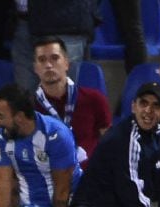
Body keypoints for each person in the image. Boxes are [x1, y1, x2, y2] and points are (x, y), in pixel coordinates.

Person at [69, 82, 160, 207]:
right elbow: (131, 194)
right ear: (133, 106)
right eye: (144, 103)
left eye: (156, 106)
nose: (148, 110)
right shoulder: (124, 139)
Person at [0, 83, 80, 207]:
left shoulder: (55, 135)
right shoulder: (2, 136)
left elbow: (62, 190)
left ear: (19, 117)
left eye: (0, 116)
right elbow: (2, 179)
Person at [31, 36, 110, 168]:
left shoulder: (94, 99)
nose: (49, 65)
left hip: (89, 179)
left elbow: (109, 144)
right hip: (47, 180)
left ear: (67, 63)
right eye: (42, 60)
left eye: (55, 58)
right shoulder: (28, 107)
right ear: (35, 68)